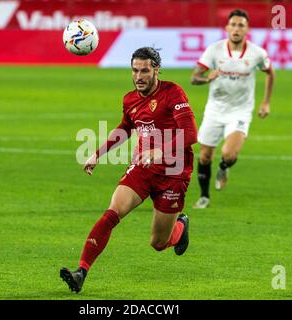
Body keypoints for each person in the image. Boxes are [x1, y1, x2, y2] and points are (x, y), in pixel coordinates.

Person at [60, 47, 198, 293]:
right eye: (135, 70)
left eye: (145, 70)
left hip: (174, 173)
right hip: (142, 169)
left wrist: (161, 151)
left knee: (158, 243)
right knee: (112, 212)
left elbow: (190, 133)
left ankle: (180, 226)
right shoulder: (130, 99)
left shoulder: (173, 93)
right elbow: (125, 128)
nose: (139, 76)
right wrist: (98, 153)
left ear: (156, 69)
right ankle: (81, 271)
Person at [191, 9, 275, 209]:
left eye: (241, 25)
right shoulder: (214, 50)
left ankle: (223, 168)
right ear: (227, 28)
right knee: (204, 156)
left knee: (229, 154)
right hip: (215, 109)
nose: (237, 29)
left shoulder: (257, 53)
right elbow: (194, 78)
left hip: (240, 110)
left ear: (247, 29)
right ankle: (204, 196)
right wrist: (206, 78)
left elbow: (270, 73)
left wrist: (266, 102)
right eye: (234, 25)